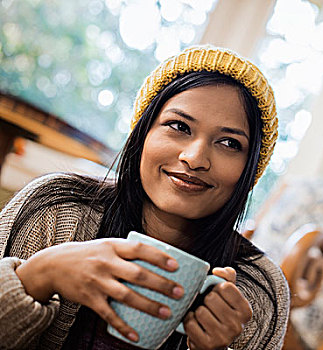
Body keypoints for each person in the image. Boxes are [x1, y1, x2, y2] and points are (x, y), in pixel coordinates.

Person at [0, 45, 289, 350]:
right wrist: (39, 275)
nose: (195, 158)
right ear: (143, 133)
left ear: (249, 170)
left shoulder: (259, 289)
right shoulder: (54, 209)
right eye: (179, 126)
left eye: (229, 143)